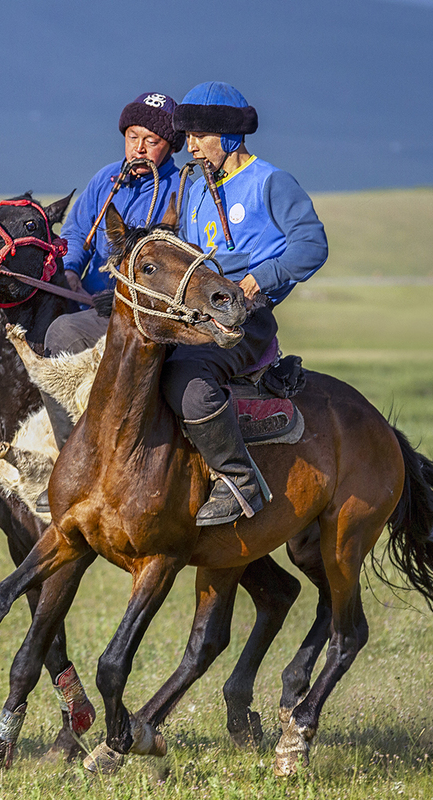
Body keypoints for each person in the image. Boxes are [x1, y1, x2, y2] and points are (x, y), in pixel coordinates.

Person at [167, 80, 327, 525]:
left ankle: (239, 480)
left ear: (230, 135)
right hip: (200, 313)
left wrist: (261, 279)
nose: (192, 147)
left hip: (247, 317)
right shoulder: (197, 189)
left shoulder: (270, 181)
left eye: (200, 136)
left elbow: (312, 244)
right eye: (189, 137)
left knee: (189, 379)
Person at [34, 91, 185, 513]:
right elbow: (76, 237)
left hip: (142, 319)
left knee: (63, 331)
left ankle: (88, 461)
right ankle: (71, 457)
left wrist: (118, 297)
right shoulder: (106, 180)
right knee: (47, 332)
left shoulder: (179, 189)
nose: (139, 147)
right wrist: (68, 272)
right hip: (92, 308)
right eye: (132, 136)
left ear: (169, 145)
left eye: (151, 140)